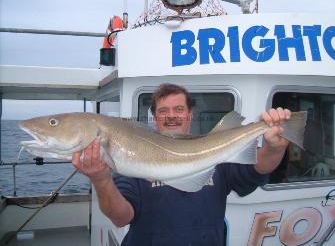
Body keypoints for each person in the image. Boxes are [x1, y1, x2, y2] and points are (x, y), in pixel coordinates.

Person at [72, 83, 291, 246]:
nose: (171, 116)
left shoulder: (214, 153)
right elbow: (121, 217)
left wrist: (275, 147)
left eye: (178, 110)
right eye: (163, 111)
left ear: (189, 115)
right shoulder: (132, 160)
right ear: (155, 118)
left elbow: (258, 169)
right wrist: (101, 180)